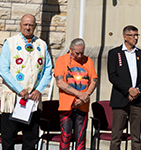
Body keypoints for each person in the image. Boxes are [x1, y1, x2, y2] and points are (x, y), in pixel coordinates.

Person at [0, 14, 52, 150]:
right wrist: (19, 89)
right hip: (13, 99)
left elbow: (48, 69)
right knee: (8, 138)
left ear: (35, 26)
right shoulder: (10, 43)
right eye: (25, 24)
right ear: (20, 25)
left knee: (31, 138)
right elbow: (3, 70)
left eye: (31, 25)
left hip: (32, 100)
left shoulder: (41, 44)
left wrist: (39, 89)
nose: (28, 28)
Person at [108, 25, 141, 150]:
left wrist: (137, 90)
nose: (135, 38)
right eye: (132, 35)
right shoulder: (115, 53)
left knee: (136, 136)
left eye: (137, 35)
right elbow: (113, 76)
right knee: (117, 135)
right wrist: (128, 90)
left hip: (138, 99)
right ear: (125, 37)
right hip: (120, 99)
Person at [54, 38, 97, 150]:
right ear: (70, 50)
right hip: (66, 105)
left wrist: (85, 96)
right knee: (66, 137)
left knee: (80, 138)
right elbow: (60, 82)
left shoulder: (88, 61)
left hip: (82, 105)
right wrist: (79, 94)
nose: (79, 56)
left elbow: (94, 81)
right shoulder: (61, 60)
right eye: (77, 53)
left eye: (82, 53)